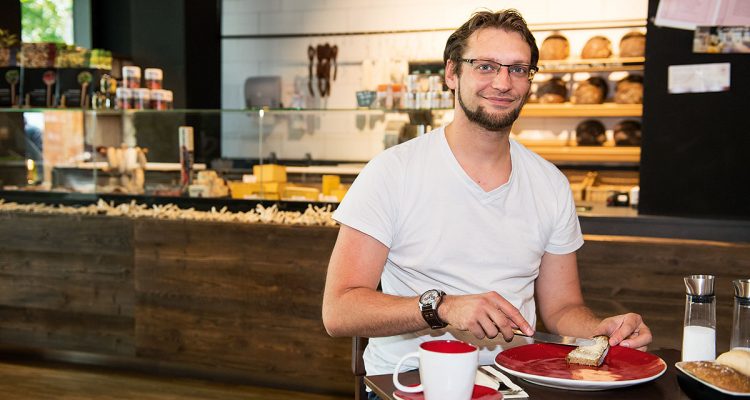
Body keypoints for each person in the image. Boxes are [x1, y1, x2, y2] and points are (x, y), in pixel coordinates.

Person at [322, 8, 652, 379]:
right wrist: (442, 308)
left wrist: (599, 329)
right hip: (411, 380)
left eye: (518, 69)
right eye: (485, 66)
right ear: (451, 73)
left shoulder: (550, 184)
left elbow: (562, 308)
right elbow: (339, 310)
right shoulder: (392, 172)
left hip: (517, 379)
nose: (502, 82)